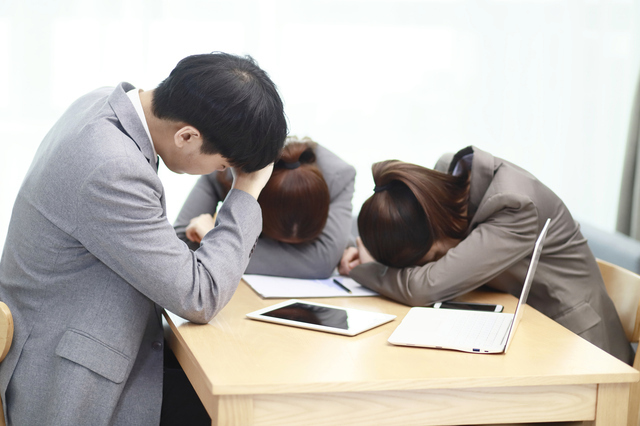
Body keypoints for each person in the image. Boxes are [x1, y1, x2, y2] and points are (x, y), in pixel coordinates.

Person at [0, 52, 287, 425]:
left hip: (71, 337)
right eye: (223, 165)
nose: (224, 172)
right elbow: (200, 296)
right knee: (253, 410)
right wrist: (246, 190)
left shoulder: (104, 104)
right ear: (187, 135)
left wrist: (182, 241)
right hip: (67, 383)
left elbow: (109, 235)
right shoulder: (113, 164)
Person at [339, 145, 633, 364]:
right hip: (525, 330)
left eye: (429, 259)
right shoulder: (442, 188)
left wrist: (367, 268)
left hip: (581, 348)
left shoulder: (513, 206)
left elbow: (423, 287)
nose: (430, 265)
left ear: (439, 230)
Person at [174, 136, 356, 279]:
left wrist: (216, 242)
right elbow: (182, 245)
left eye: (299, 247)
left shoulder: (339, 177)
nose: (285, 248)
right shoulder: (225, 170)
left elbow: (321, 261)